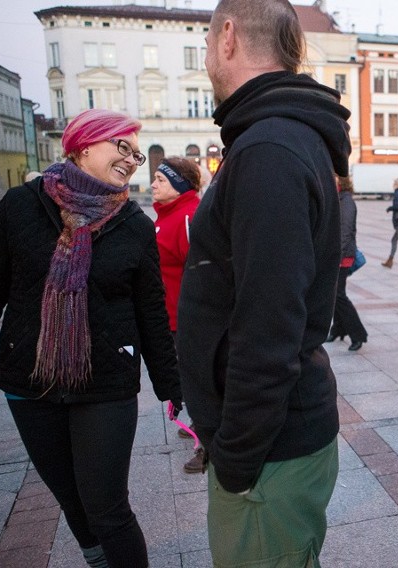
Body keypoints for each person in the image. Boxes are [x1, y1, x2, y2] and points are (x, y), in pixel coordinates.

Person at [0, 109, 182, 568]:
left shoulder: (133, 224)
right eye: (122, 146)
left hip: (105, 384)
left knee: (107, 506)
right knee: (73, 503)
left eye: (136, 154)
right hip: (30, 382)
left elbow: (151, 313)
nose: (131, 159)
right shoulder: (20, 207)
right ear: (82, 144)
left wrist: (174, 390)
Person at [176, 1, 351, 565]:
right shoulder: (275, 138)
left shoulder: (269, 149)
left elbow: (269, 327)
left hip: (267, 453)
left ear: (227, 36)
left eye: (205, 44)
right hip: (271, 443)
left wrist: (236, 458)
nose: (207, 59)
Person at [150, 156, 205, 474]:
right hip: (171, 318)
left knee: (199, 381)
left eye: (160, 179)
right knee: (187, 379)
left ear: (179, 184)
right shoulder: (165, 215)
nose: (153, 184)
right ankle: (201, 422)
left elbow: (201, 274)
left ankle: (208, 444)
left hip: (189, 321)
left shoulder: (188, 217)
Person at [326, 175, 368, 351]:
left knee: (339, 295)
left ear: (341, 182)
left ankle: (358, 334)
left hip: (342, 257)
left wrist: (337, 256)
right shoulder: (338, 199)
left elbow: (345, 231)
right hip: (337, 255)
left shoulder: (347, 202)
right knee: (334, 294)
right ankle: (338, 328)